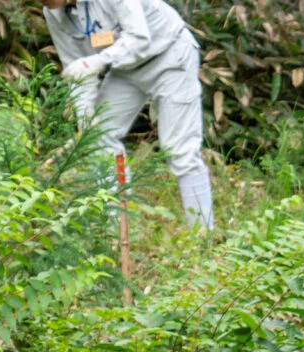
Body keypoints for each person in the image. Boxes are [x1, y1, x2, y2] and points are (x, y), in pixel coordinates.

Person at [43, 0, 215, 230]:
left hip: (169, 54)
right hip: (125, 70)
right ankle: (117, 231)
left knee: (180, 150)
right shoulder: (53, 14)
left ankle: (205, 237)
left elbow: (139, 38)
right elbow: (77, 68)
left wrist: (99, 60)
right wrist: (85, 117)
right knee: (98, 137)